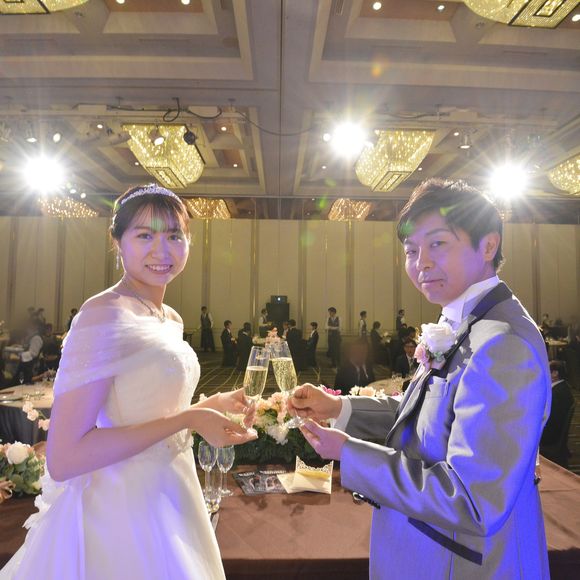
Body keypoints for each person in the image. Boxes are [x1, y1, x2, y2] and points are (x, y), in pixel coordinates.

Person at [290, 178, 551, 579]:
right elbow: (429, 411)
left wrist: (350, 453)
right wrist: (339, 407)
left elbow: (471, 502)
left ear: (488, 245)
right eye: (411, 250)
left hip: (457, 564)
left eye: (438, 244)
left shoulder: (503, 343)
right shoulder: (466, 320)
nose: (421, 263)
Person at [0, 184, 257, 580]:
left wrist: (213, 404)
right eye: (144, 235)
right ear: (117, 242)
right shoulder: (102, 315)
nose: (162, 250)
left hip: (174, 487)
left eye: (174, 235)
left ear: (189, 242)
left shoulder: (169, 317)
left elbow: (149, 407)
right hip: (122, 507)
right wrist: (190, 419)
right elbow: (64, 458)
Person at [540, 360, 575, 466]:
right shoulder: (562, 388)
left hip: (550, 437)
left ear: (555, 373)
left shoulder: (556, 394)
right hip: (555, 434)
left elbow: (550, 421)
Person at [15, 320, 43, 384]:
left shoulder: (36, 338)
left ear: (35, 327)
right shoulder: (32, 336)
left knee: (26, 382)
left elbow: (33, 353)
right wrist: (19, 346)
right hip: (27, 364)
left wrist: (19, 356)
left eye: (30, 325)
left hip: (32, 366)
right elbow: (28, 347)